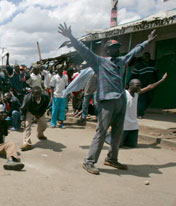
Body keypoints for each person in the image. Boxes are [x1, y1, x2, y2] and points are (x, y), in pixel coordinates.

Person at [58, 23, 158, 175]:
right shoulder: (99, 61)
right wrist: (71, 37)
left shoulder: (122, 61)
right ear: (107, 50)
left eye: (118, 47)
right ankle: (89, 161)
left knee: (118, 132)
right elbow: (84, 50)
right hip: (107, 101)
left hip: (120, 100)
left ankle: (112, 158)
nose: (117, 49)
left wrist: (147, 42)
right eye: (114, 47)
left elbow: (135, 51)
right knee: (102, 131)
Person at [108, 73, 168, 148]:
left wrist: (162, 80)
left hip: (133, 125)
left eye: (140, 86)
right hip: (124, 125)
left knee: (132, 145)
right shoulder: (124, 94)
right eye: (137, 86)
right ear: (130, 86)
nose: (139, 87)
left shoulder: (136, 94)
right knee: (118, 145)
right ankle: (109, 136)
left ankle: (120, 138)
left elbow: (150, 87)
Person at [21, 87, 50, 151]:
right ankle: (27, 143)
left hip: (39, 111)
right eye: (36, 94)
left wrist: (40, 114)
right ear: (32, 94)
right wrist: (23, 120)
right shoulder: (27, 98)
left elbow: (45, 106)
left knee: (44, 124)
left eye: (39, 94)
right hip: (30, 111)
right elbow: (23, 109)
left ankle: (40, 134)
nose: (38, 96)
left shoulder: (45, 97)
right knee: (27, 126)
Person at [131, 52, 159, 118]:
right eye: (145, 56)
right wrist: (129, 83)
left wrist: (157, 82)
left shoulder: (152, 65)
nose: (146, 58)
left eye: (148, 56)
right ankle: (140, 114)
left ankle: (142, 110)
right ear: (143, 57)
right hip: (141, 85)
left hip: (150, 84)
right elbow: (134, 75)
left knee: (150, 98)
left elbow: (155, 74)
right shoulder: (139, 65)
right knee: (142, 99)